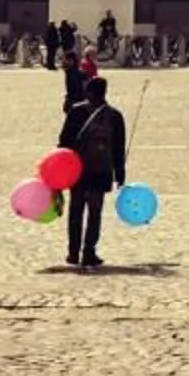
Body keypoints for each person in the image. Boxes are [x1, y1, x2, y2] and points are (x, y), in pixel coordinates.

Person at [57, 75, 130, 270]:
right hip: (101, 171)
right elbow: (118, 148)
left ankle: (73, 252)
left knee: (76, 212)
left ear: (88, 91)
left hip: (78, 171)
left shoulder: (76, 112)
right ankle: (89, 251)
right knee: (95, 213)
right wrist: (120, 174)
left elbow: (64, 142)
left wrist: (59, 171)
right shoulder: (115, 116)